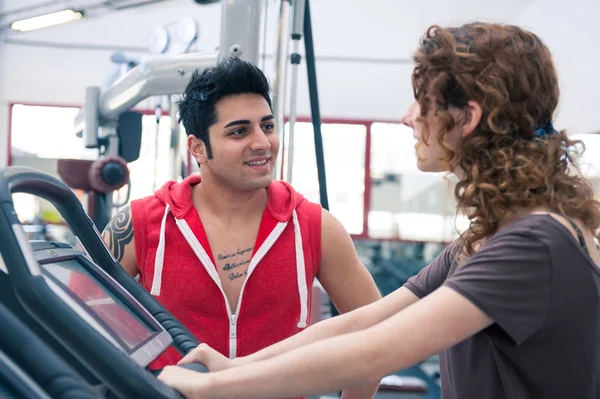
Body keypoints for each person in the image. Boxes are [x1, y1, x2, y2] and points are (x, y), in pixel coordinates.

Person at [157, 22, 600, 399]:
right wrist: (233, 367)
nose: (408, 117)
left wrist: (210, 389)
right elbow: (361, 324)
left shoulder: (533, 245)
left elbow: (375, 352)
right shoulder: (485, 240)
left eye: (421, 100)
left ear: (467, 117)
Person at [101, 56, 382, 398]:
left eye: (267, 126)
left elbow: (377, 335)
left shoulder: (315, 227)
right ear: (198, 148)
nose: (262, 143)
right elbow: (76, 328)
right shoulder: (139, 224)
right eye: (239, 131)